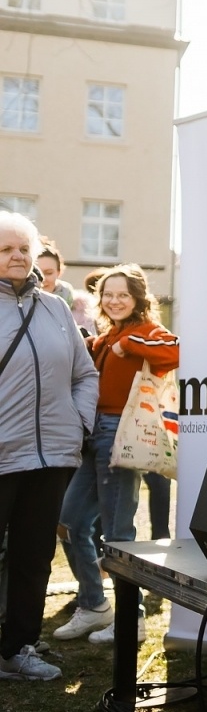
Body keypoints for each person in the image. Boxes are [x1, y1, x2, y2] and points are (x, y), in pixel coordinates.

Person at [56, 264, 179, 646]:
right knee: (71, 521)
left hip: (120, 434)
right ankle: (94, 605)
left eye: (122, 294)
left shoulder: (143, 332)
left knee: (119, 533)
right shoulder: (107, 335)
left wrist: (131, 346)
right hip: (94, 435)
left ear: (138, 299)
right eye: (108, 294)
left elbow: (175, 349)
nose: (114, 300)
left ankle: (132, 619)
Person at [0, 213, 97, 680]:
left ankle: (18, 648)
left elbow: (85, 374)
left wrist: (78, 422)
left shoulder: (56, 308)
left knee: (35, 554)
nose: (17, 257)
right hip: (2, 453)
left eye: (23, 249)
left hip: (52, 456)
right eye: (6, 250)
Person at [34, 237, 74, 308]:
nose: (43, 278)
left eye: (49, 273)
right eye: (37, 273)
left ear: (59, 272)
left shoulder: (79, 311)